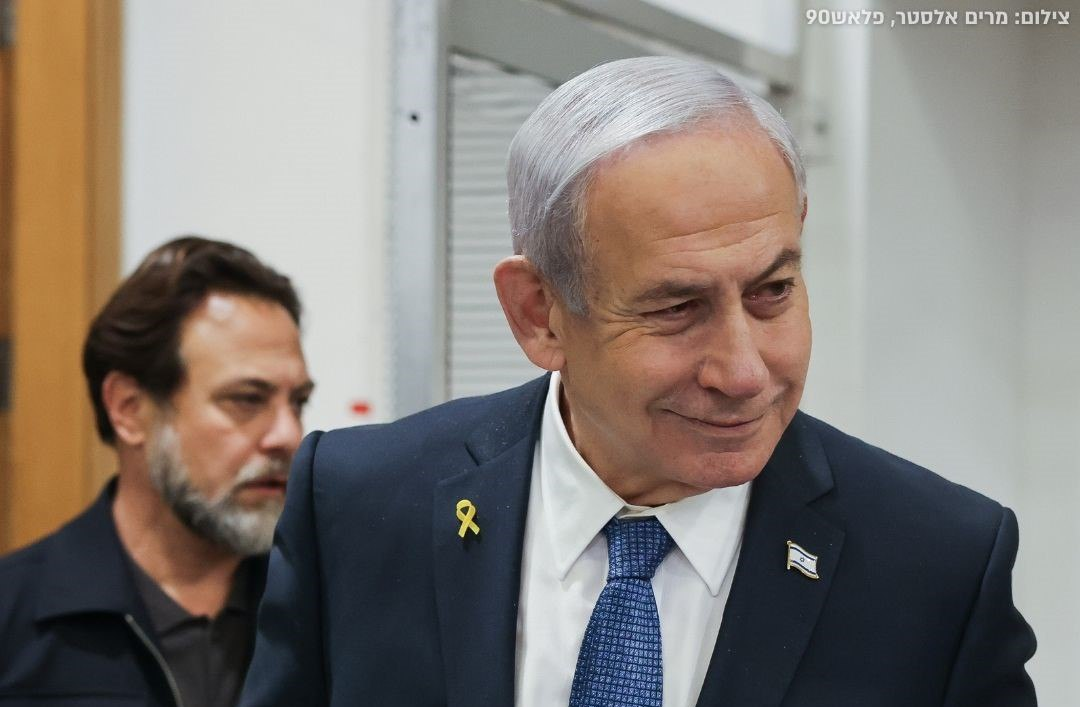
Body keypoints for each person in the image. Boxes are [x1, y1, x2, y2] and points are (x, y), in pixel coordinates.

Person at [242, 57, 1036, 706]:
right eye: (677, 308)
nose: (743, 371)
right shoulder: (360, 506)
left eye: (772, 291)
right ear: (539, 313)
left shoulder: (935, 566)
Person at [0, 237, 314, 707]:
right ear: (129, 409)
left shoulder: (322, 613)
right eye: (248, 399)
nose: (289, 436)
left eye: (298, 402)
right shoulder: (15, 620)